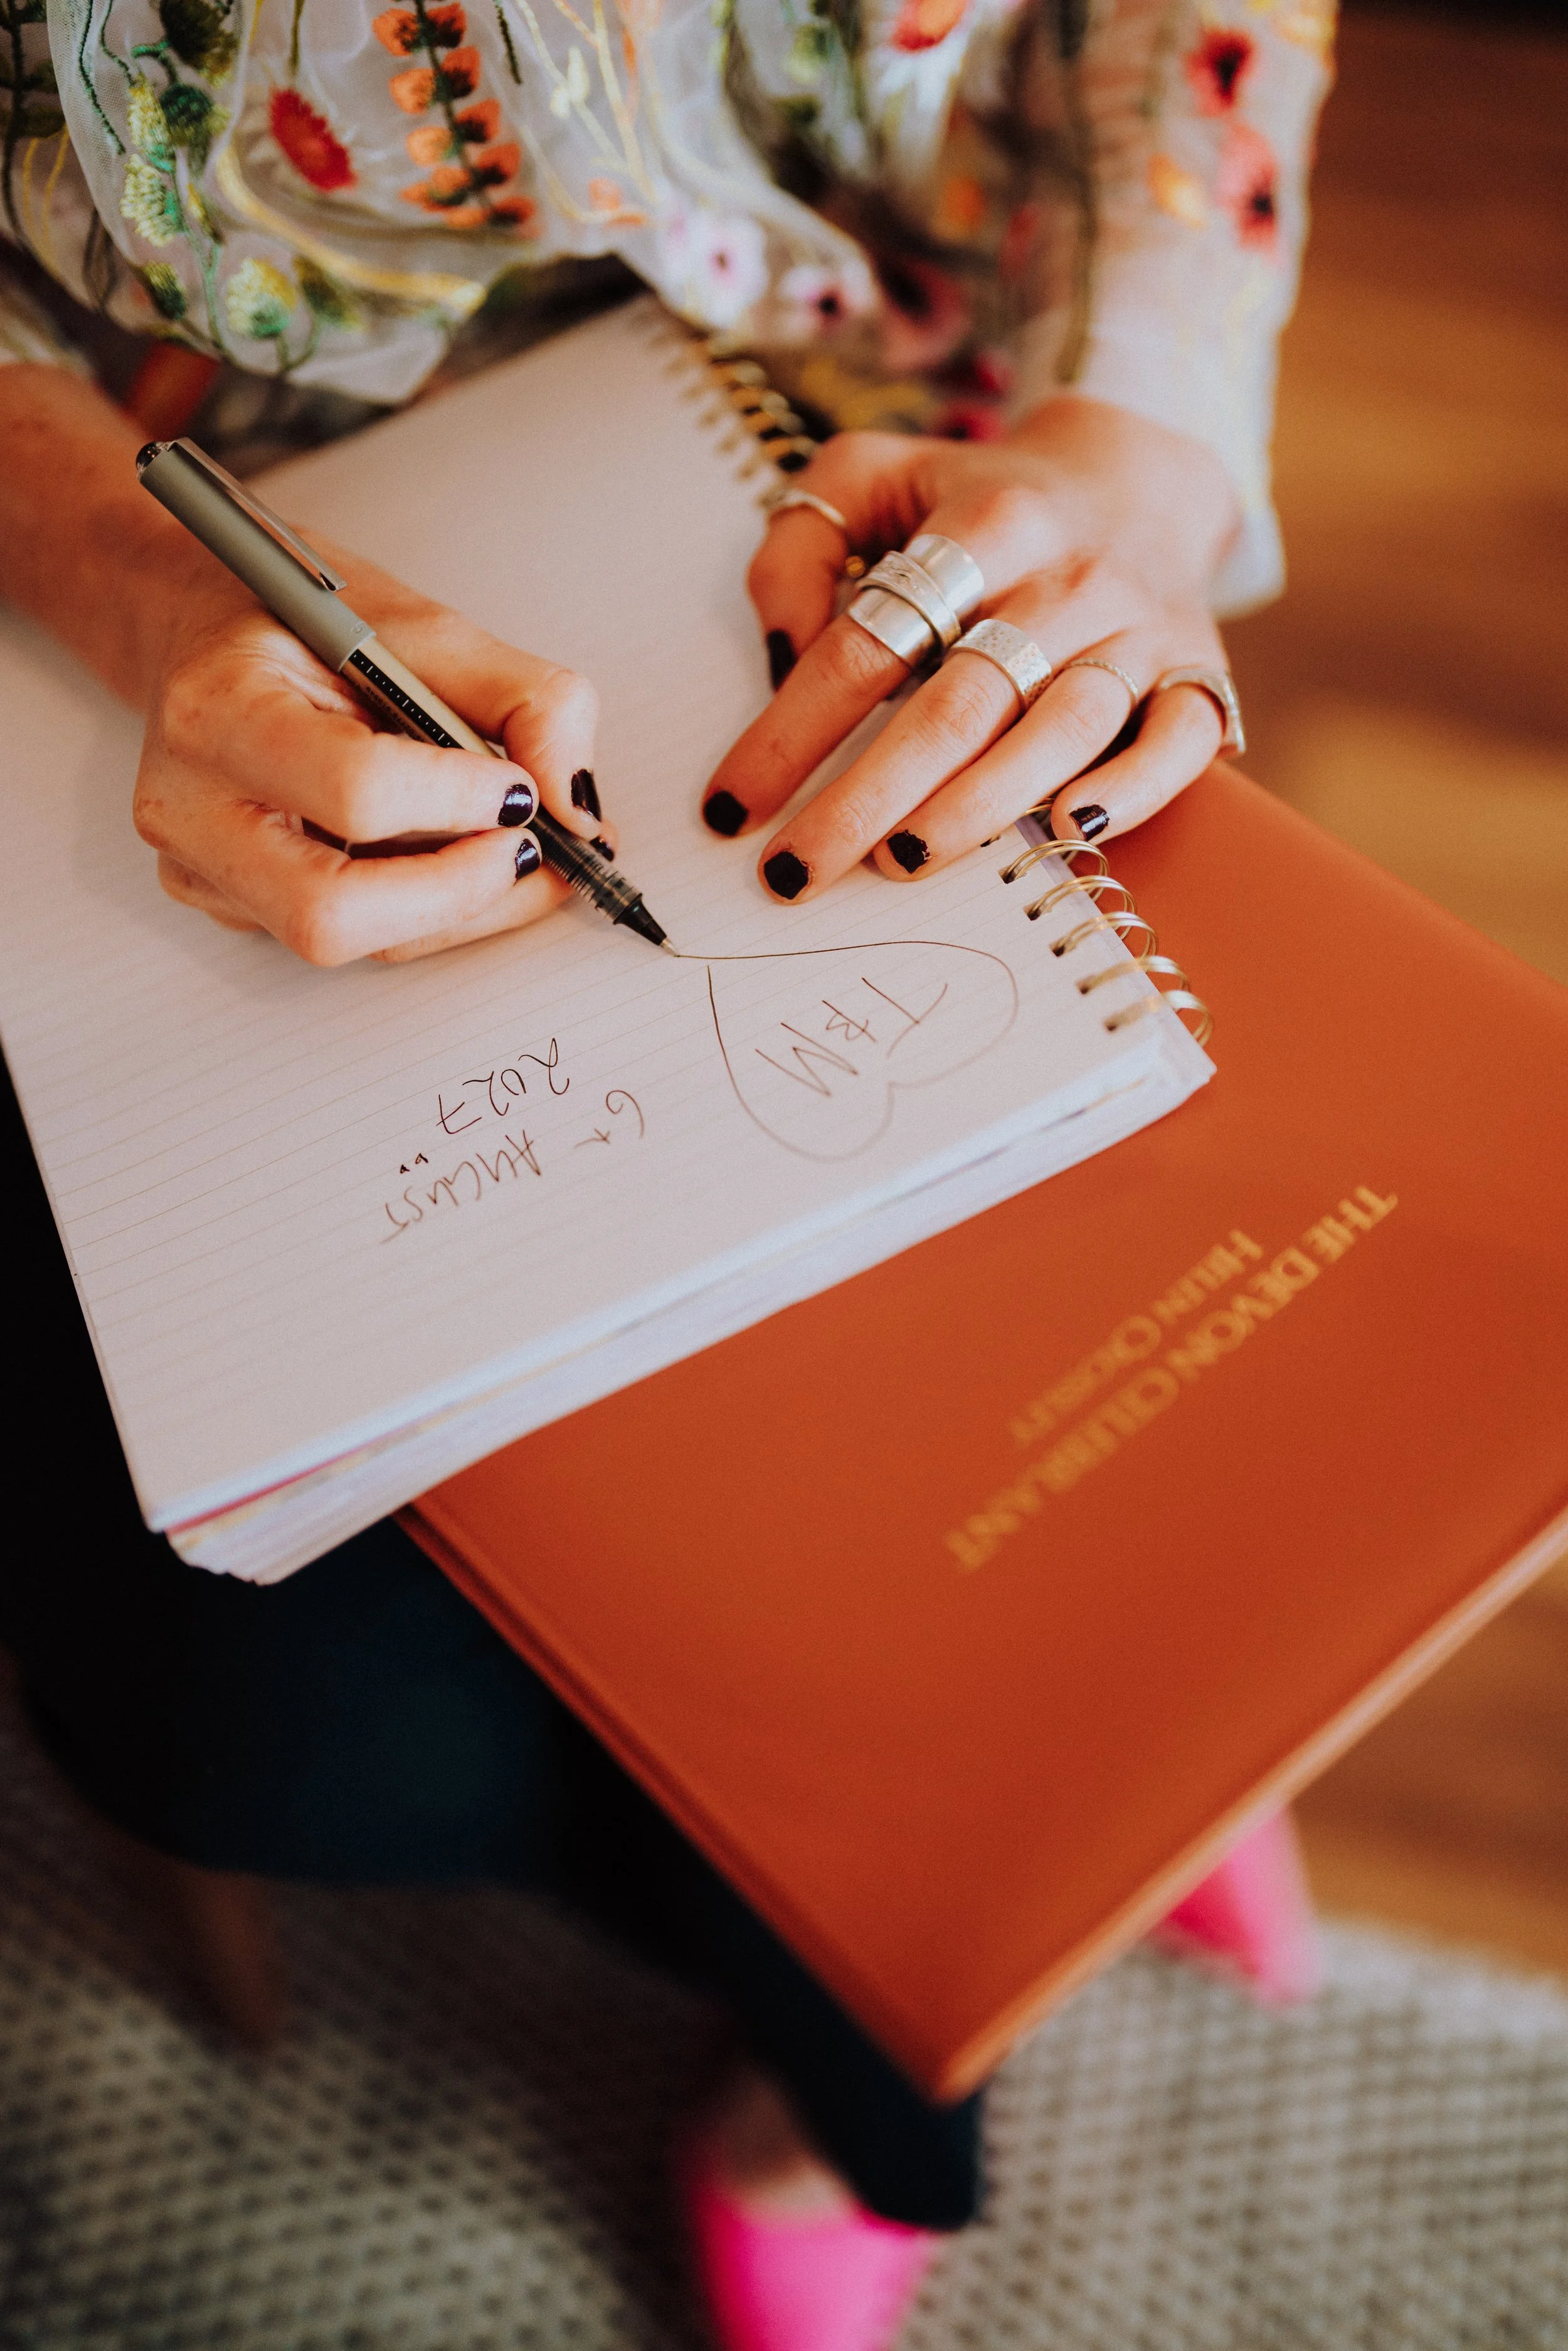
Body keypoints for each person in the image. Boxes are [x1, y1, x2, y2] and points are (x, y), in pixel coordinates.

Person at [0, 1, 1332, 2344]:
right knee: (254, 1709)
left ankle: (896, 2034)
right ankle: (1012, 1891)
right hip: (145, 568)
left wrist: (1141, 426)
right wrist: (115, 569)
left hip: (923, 484)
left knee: (1183, 1320)